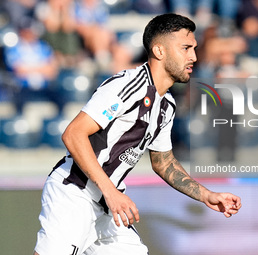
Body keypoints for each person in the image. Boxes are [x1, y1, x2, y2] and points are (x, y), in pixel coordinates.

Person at [33, 13, 242, 255]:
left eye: (194, 48)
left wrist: (207, 195)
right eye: (185, 48)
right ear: (160, 51)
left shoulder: (167, 105)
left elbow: (163, 163)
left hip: (108, 207)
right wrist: (111, 192)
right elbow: (73, 134)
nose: (193, 56)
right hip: (75, 193)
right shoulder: (126, 85)